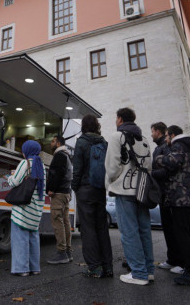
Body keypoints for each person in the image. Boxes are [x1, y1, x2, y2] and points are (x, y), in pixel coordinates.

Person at [105, 107, 154, 286]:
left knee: (129, 232)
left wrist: (111, 182)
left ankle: (139, 273)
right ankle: (148, 271)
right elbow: (149, 166)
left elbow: (111, 166)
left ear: (119, 119)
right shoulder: (145, 139)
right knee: (144, 230)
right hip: (142, 190)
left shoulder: (116, 137)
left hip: (124, 190)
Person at [157, 125, 190, 285]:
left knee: (183, 235)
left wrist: (157, 158)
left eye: (166, 137)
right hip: (189, 197)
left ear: (172, 135)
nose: (165, 140)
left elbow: (171, 162)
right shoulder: (189, 147)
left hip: (180, 197)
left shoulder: (178, 145)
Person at [71, 114, 113, 278]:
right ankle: (108, 267)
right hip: (100, 189)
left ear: (83, 126)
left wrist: (75, 187)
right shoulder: (104, 142)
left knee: (88, 229)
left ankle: (94, 267)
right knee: (102, 228)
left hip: (85, 189)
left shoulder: (81, 142)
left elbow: (77, 169)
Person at [7, 140, 46, 276]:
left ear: (27, 151)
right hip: (35, 210)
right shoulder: (41, 167)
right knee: (33, 238)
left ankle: (21, 269)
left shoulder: (24, 163)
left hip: (23, 209)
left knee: (20, 238)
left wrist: (10, 177)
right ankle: (34, 268)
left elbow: (15, 182)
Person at [151, 122, 184, 275]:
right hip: (163, 193)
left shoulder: (167, 147)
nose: (151, 134)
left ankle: (180, 261)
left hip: (169, 192)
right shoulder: (160, 147)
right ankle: (173, 259)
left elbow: (167, 169)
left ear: (158, 131)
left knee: (175, 229)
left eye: (152, 131)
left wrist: (152, 174)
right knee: (168, 229)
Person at [46, 135, 73, 264]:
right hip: (66, 192)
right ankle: (67, 251)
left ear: (58, 143)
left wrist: (51, 188)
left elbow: (56, 173)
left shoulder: (59, 155)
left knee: (58, 221)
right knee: (65, 222)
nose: (51, 143)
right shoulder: (67, 155)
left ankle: (61, 252)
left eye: (52, 141)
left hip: (59, 193)